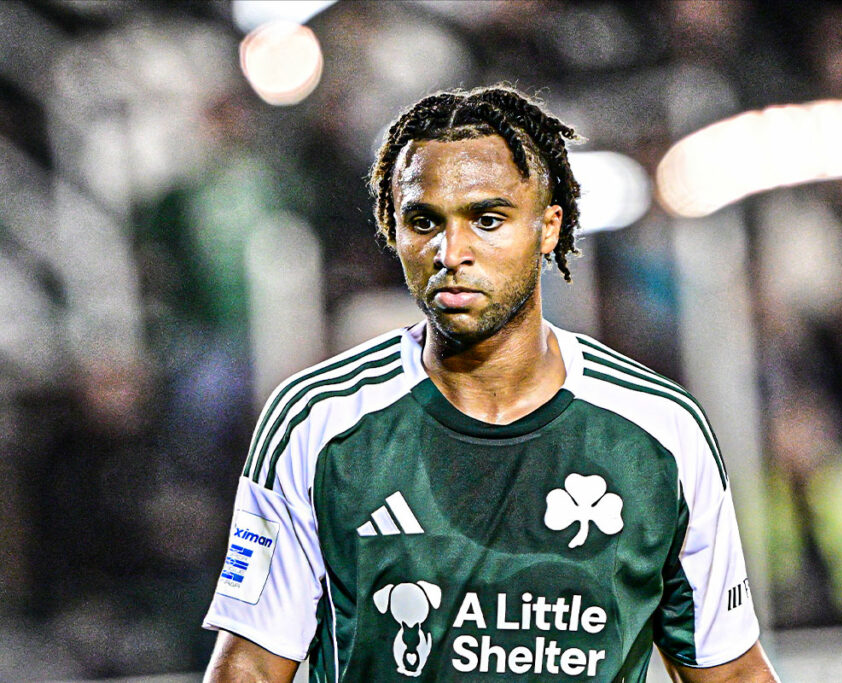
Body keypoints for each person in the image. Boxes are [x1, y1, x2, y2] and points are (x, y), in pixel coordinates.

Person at [202, 86, 778, 682]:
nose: (451, 252)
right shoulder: (318, 421)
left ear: (548, 228)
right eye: (423, 221)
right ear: (392, 231)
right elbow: (249, 667)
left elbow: (732, 674)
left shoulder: (659, 432)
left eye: (487, 219)